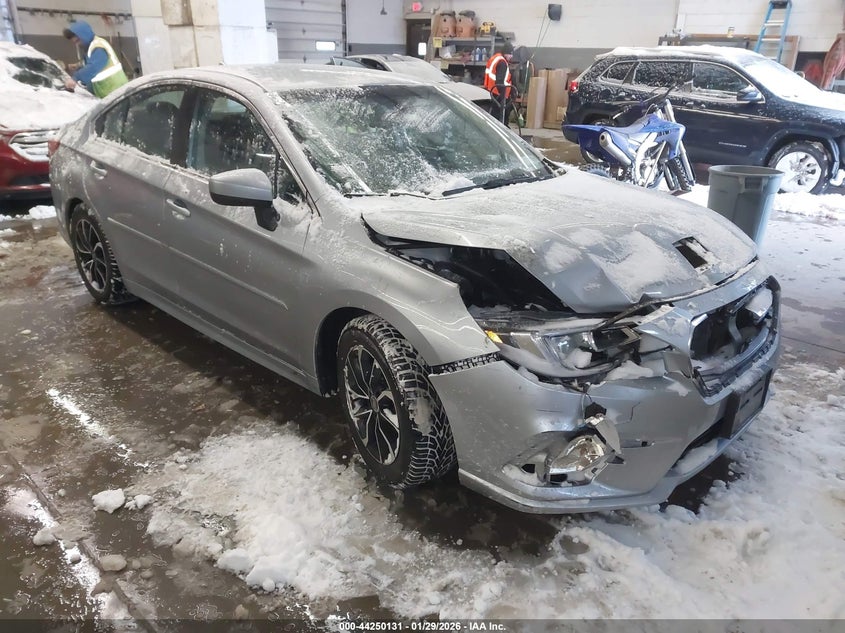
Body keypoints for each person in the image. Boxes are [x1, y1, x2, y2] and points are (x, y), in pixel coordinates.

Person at [63, 21, 128, 98]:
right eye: (75, 42)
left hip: (114, 89)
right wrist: (78, 65)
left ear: (84, 35)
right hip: (108, 90)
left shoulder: (98, 47)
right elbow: (91, 61)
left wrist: (75, 78)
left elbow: (93, 67)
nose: (77, 44)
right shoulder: (91, 46)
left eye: (78, 41)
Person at [484, 41, 514, 124]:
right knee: (500, 117)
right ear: (505, 53)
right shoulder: (502, 63)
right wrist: (503, 96)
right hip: (499, 92)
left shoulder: (496, 58)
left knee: (494, 115)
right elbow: (500, 81)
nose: (511, 56)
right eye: (510, 54)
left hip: (492, 90)